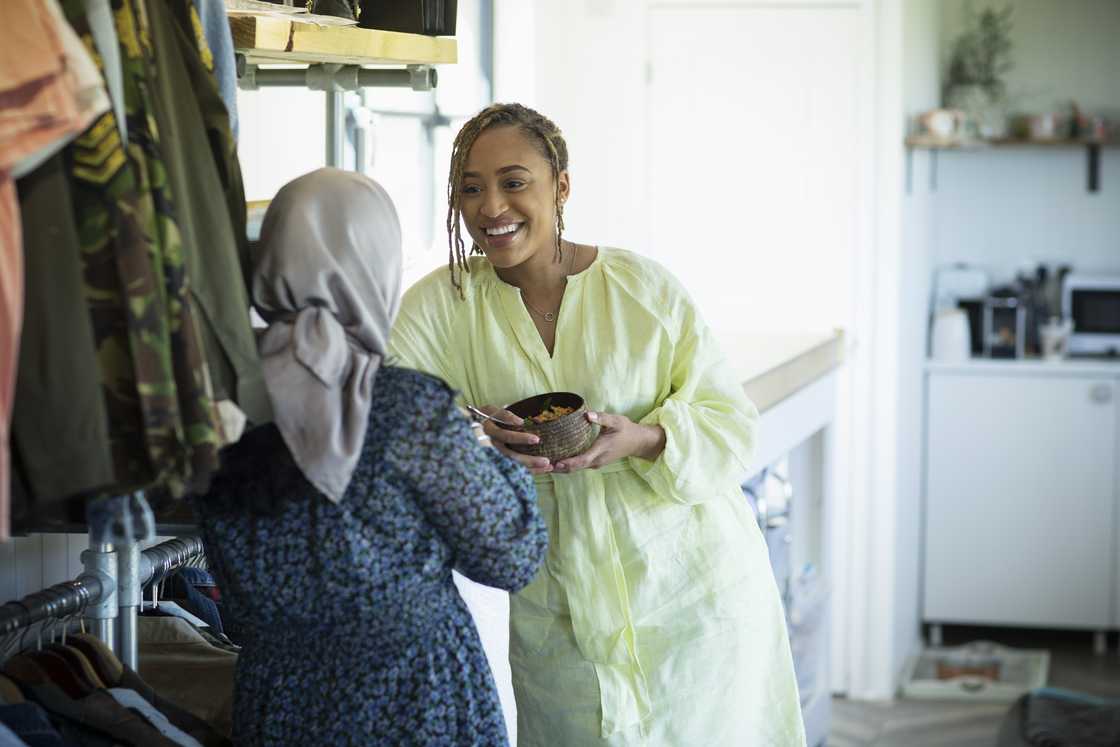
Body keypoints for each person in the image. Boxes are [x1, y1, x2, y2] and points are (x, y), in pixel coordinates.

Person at [389, 103, 806, 745]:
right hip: (560, 617)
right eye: (470, 189)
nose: (491, 206)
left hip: (690, 598)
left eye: (513, 182)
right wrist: (479, 441)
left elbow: (731, 427)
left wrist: (645, 438)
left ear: (561, 186)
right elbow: (392, 429)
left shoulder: (642, 289)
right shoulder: (441, 305)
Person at [193, 168, 548, 747]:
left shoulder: (213, 407)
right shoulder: (403, 409)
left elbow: (233, 599)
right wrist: (497, 458)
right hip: (413, 700)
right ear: (375, 267)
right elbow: (511, 556)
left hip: (278, 707)